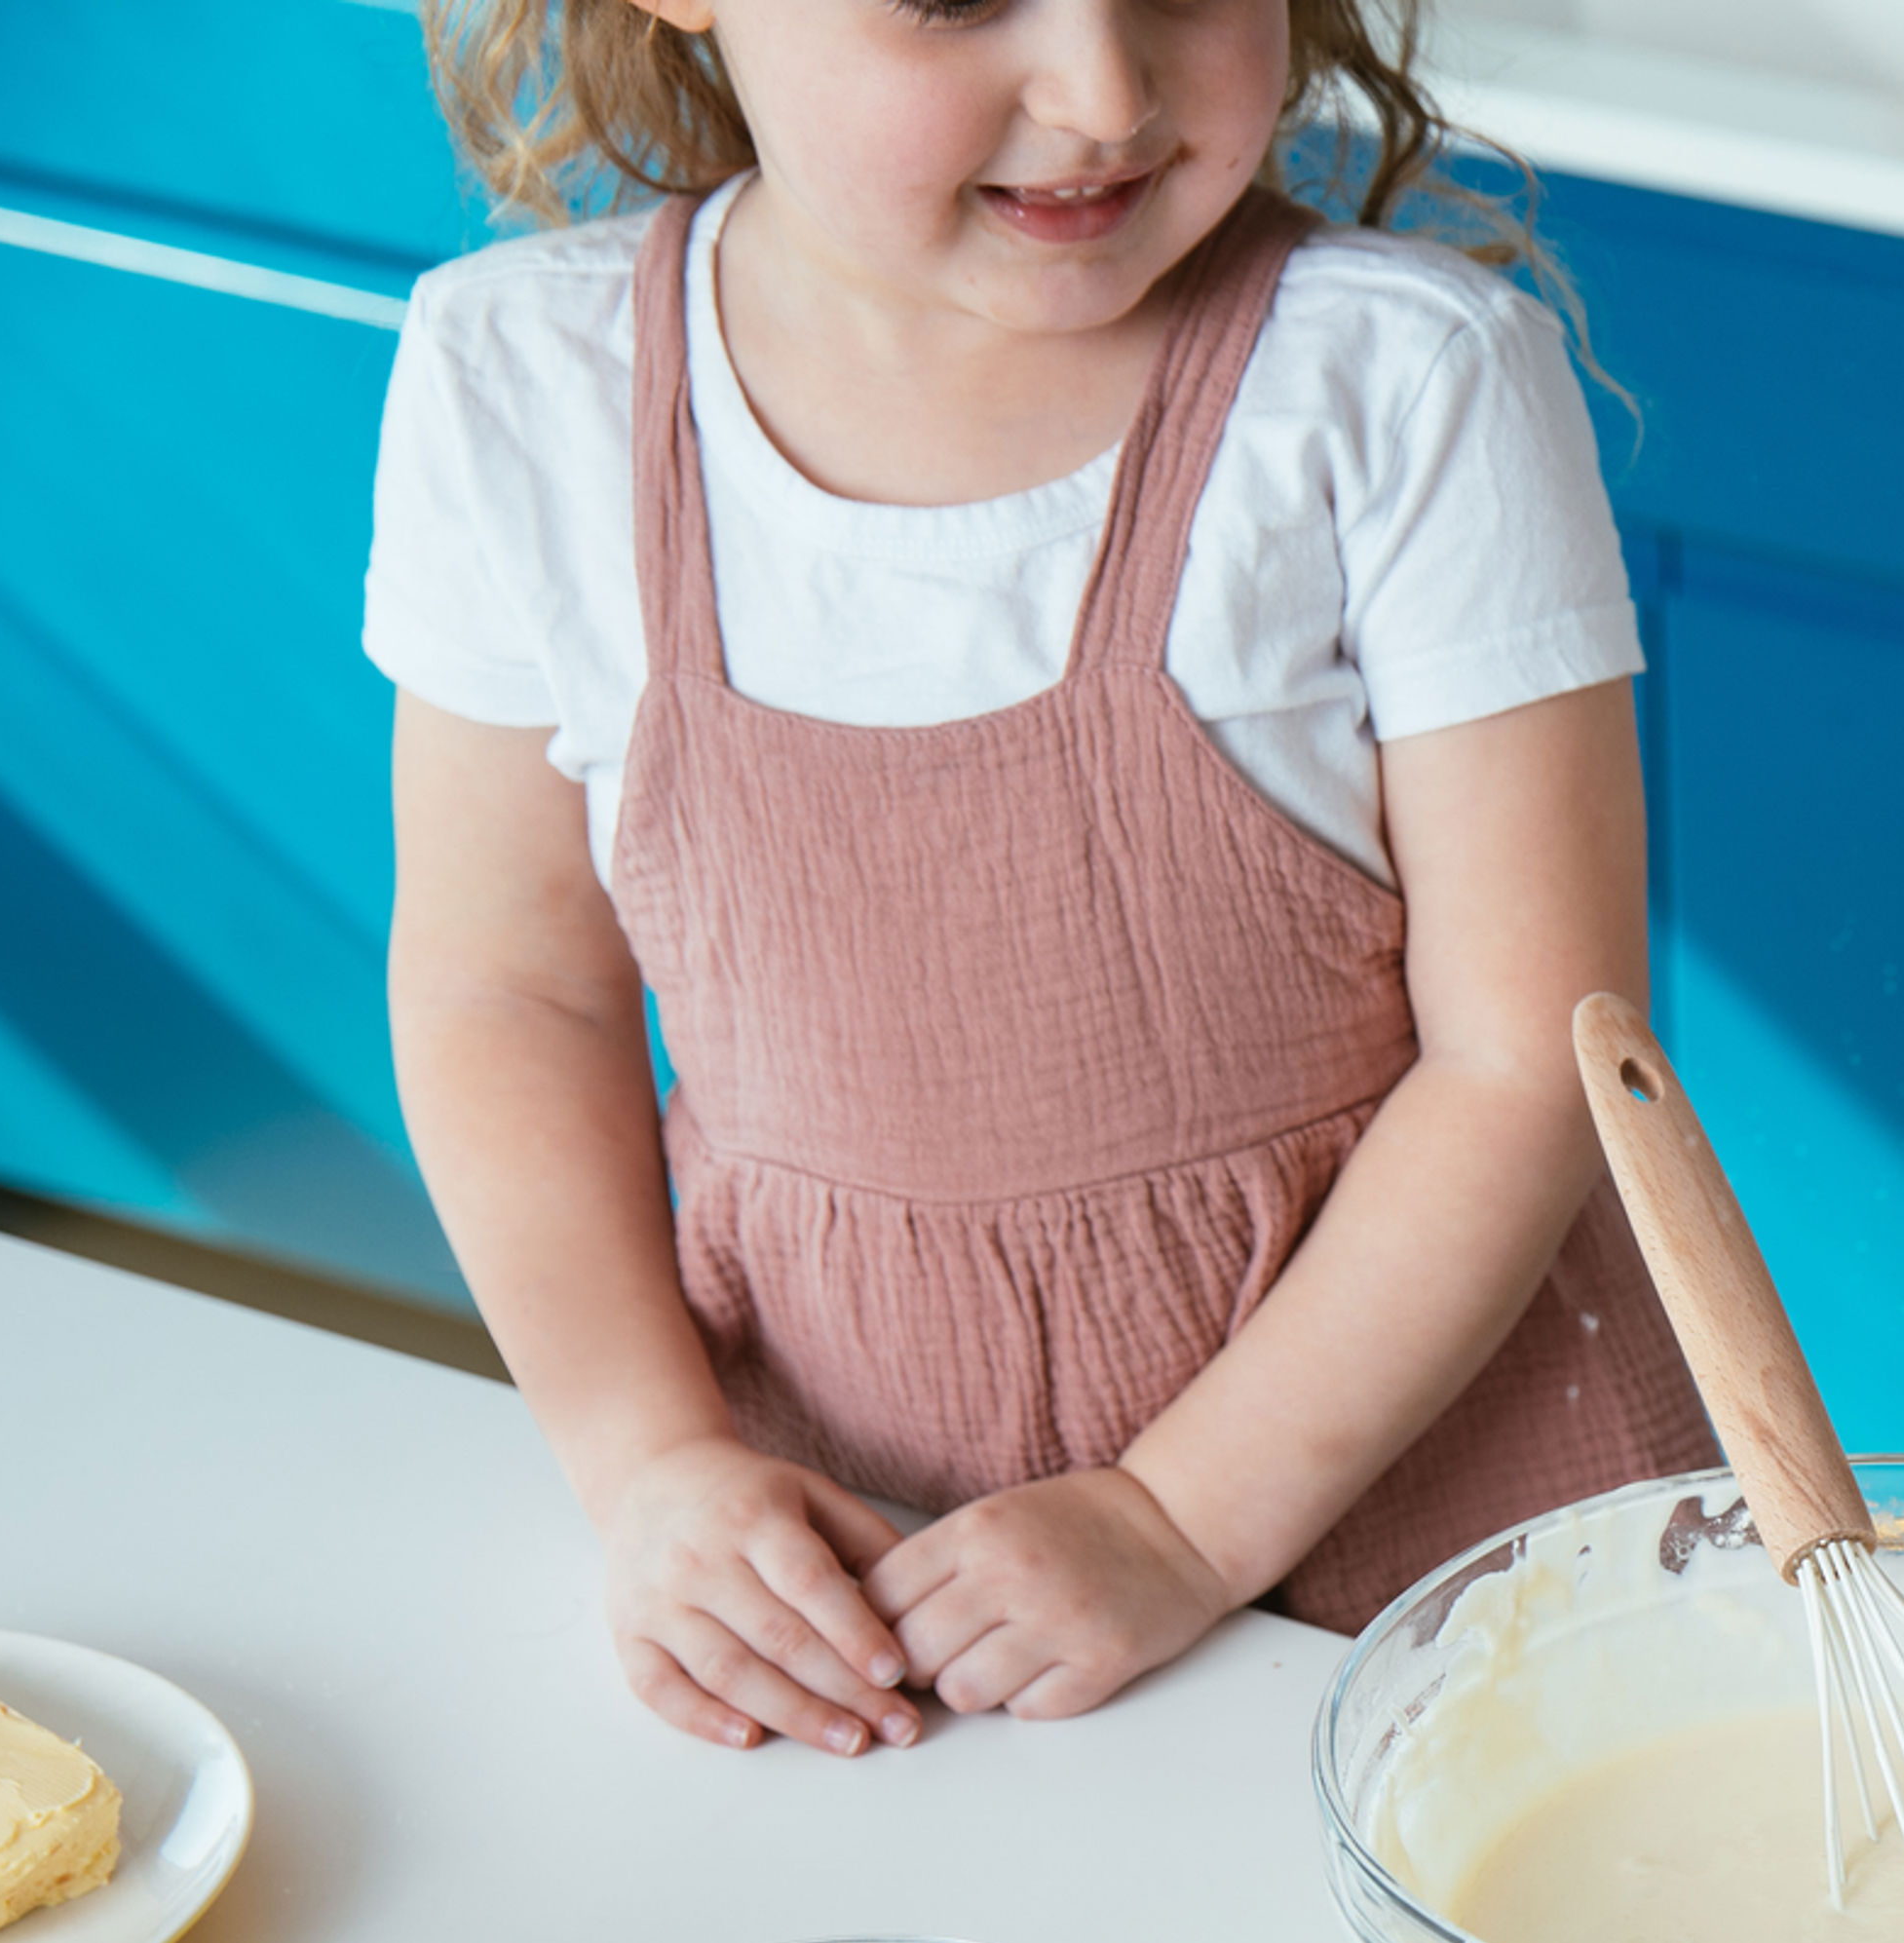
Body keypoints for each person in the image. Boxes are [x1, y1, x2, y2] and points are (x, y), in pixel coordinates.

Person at [377, 0, 1709, 1757]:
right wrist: (653, 1465)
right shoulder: (521, 386)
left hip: (1435, 1527)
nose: (1102, 93)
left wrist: (1177, 1520)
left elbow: (1533, 1055)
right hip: (847, 1555)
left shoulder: (1405, 385)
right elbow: (506, 991)